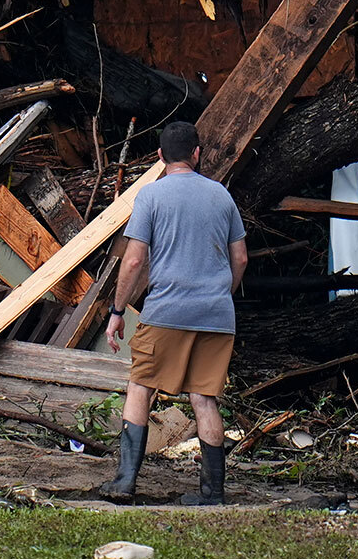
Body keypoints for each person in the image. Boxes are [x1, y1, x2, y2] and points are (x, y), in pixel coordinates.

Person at [99, 120, 248, 505]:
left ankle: (124, 483)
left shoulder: (151, 196)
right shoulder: (222, 196)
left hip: (166, 311)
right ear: (197, 154)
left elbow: (133, 262)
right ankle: (212, 493)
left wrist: (117, 310)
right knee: (204, 397)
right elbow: (241, 257)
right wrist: (219, 294)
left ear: (161, 156)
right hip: (216, 315)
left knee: (140, 386)